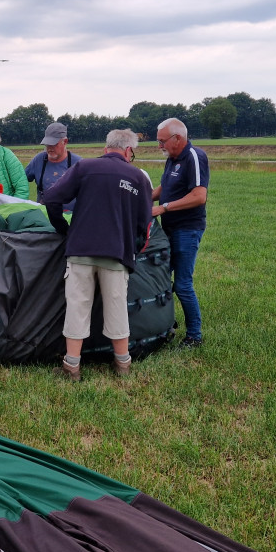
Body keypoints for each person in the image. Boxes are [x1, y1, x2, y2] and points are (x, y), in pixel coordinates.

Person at [44, 129, 153, 382]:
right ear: (128, 151)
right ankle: (123, 364)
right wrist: (132, 247)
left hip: (80, 251)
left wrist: (64, 229)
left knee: (77, 307)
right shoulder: (138, 177)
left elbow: (52, 198)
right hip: (117, 254)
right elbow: (144, 223)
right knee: (117, 309)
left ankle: (72, 366)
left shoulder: (84, 167)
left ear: (106, 148)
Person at [152, 117, 209, 348]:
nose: (159, 146)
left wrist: (163, 208)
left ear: (177, 138)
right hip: (170, 228)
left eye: (162, 141)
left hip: (187, 229)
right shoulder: (172, 158)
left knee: (183, 284)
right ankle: (167, 322)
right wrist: (142, 199)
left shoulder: (194, 156)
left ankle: (194, 335)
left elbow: (199, 196)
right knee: (161, 278)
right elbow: (165, 187)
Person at [25, 122, 81, 210]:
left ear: (65, 142)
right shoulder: (38, 160)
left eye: (54, 144)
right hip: (44, 215)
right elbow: (20, 181)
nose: (50, 148)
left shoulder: (78, 163)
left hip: (70, 216)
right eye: (47, 144)